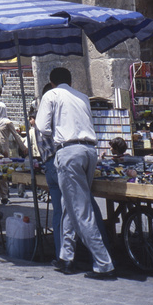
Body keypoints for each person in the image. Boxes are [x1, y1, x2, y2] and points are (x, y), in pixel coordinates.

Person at [36, 67, 116, 280]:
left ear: (52, 82)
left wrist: (58, 132)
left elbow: (42, 127)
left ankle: (104, 263)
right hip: (89, 151)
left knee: (80, 210)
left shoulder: (51, 95)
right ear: (70, 81)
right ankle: (66, 257)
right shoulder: (82, 97)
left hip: (69, 151)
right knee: (68, 206)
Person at [0, 100, 28, 203]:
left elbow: (16, 135)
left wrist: (23, 147)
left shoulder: (7, 122)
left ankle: (4, 196)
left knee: (3, 175)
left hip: (4, 152)